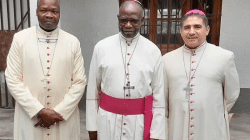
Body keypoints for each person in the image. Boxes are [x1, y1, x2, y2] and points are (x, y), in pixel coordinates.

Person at [5, 0, 87, 139]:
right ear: (37, 12)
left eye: (54, 11)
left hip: (63, 118)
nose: (49, 15)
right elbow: (12, 79)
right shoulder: (20, 39)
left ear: (59, 14)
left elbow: (80, 82)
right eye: (44, 10)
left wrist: (58, 113)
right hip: (30, 116)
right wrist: (38, 110)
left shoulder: (72, 42)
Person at [86, 1, 166, 140]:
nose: (128, 25)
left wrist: (157, 133)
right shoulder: (102, 47)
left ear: (142, 20)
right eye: (123, 20)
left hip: (139, 123)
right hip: (107, 121)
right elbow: (93, 91)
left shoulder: (153, 51)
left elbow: (159, 96)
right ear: (118, 18)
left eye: (133, 21)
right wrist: (92, 127)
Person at [162, 9, 240, 140]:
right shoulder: (166, 59)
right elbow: (163, 97)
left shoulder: (224, 57)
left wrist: (211, 110)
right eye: (187, 28)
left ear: (207, 30)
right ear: (181, 31)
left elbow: (232, 94)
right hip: (177, 125)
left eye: (197, 27)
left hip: (210, 125)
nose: (191, 32)